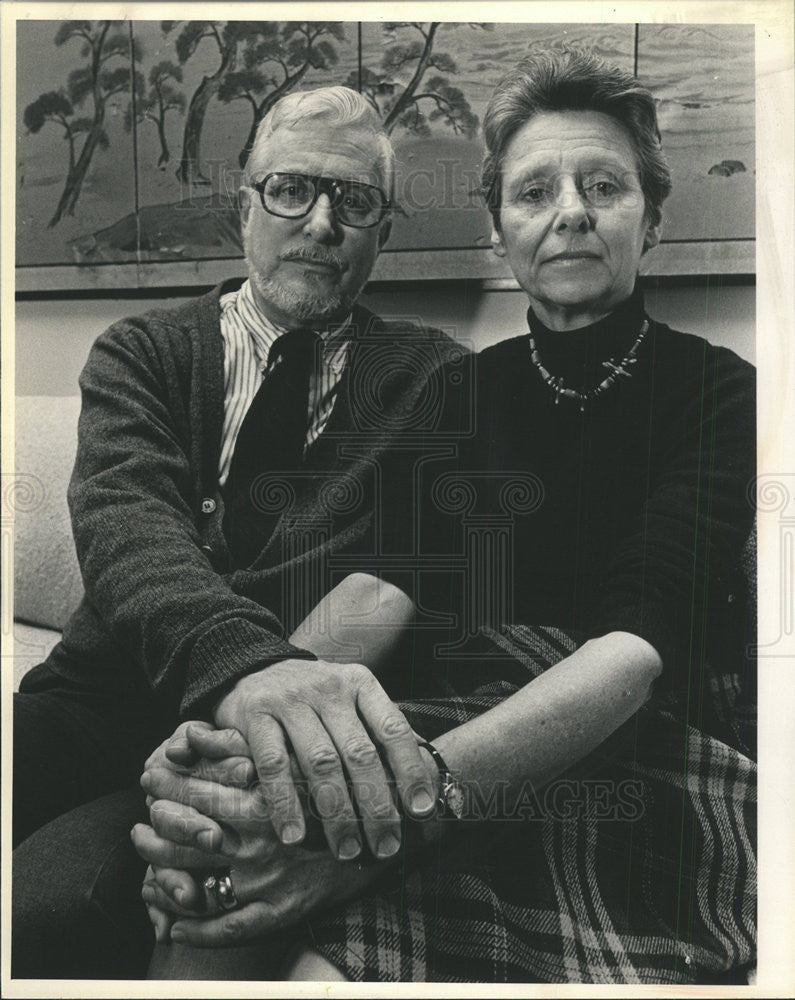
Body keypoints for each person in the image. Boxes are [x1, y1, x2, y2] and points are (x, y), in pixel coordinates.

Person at [134, 49, 757, 984]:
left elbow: (636, 646)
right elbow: (382, 586)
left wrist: (410, 800)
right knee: (216, 870)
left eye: (603, 186)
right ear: (503, 232)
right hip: (455, 721)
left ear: (652, 221)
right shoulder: (456, 390)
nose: (570, 213)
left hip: (633, 752)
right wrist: (248, 746)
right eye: (534, 191)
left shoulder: (720, 391)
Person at [12, 85, 466, 979]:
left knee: (44, 913)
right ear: (244, 208)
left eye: (355, 201)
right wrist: (249, 672)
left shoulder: (438, 380)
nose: (321, 222)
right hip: (101, 695)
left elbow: (397, 580)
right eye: (291, 189)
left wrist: (248, 734)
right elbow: (124, 523)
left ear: (384, 232)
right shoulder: (140, 350)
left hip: (258, 737)